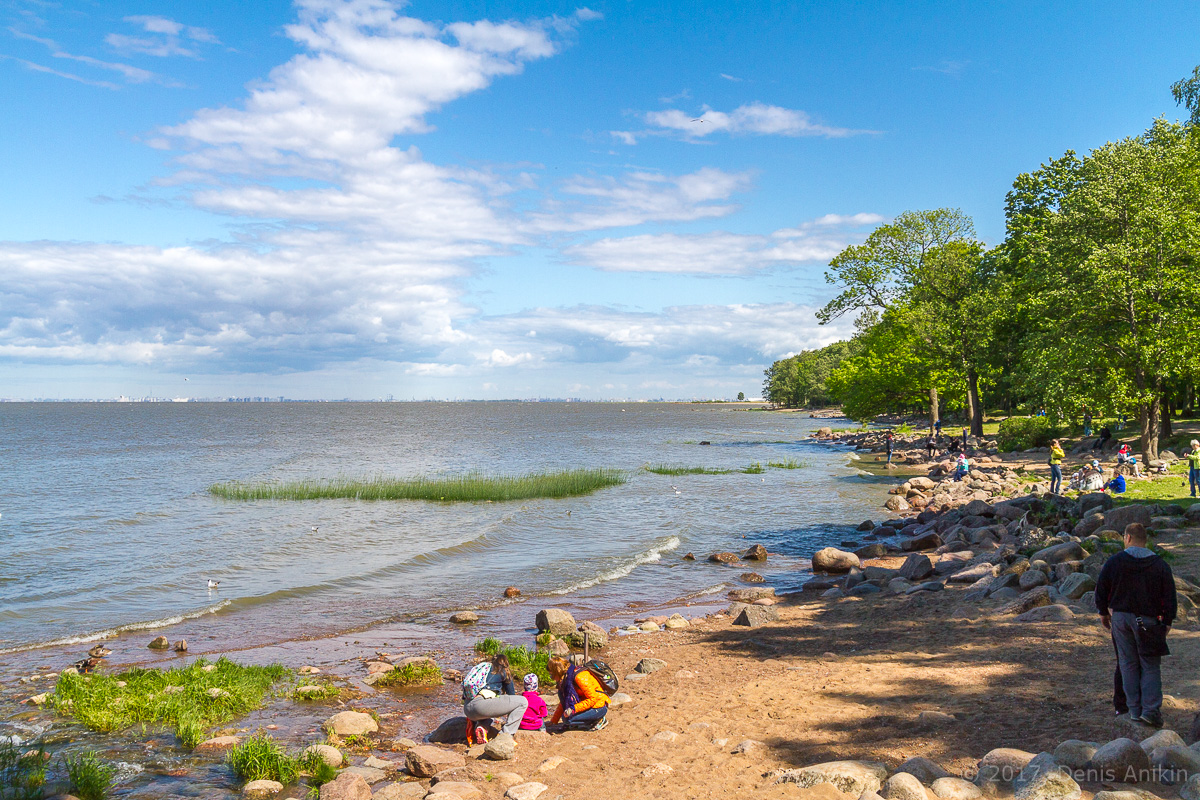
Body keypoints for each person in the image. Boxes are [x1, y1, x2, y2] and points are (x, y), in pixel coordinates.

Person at [1095, 523, 1176, 728]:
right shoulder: (1159, 565)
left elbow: (1101, 588)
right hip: (1148, 620)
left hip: (1121, 618)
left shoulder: (1115, 561)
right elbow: (1169, 596)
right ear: (1145, 539)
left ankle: (1133, 709)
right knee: (1150, 665)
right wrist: (1167, 620)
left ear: (1128, 538)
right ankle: (1150, 711)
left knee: (1127, 663)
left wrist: (1103, 612)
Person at [462, 654, 528, 743]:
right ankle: (505, 735)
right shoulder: (503, 671)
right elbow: (512, 695)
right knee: (522, 702)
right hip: (481, 706)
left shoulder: (483, 669)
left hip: (467, 708)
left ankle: (482, 726)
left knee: (490, 709)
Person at [548, 656, 610, 731]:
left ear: (557, 671)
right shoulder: (566, 679)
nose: (552, 678)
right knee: (565, 718)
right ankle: (586, 722)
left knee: (569, 720)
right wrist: (554, 721)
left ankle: (599, 720)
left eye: (552, 675)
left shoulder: (579, 677)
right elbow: (564, 701)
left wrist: (574, 709)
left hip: (599, 705)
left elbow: (593, 699)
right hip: (588, 704)